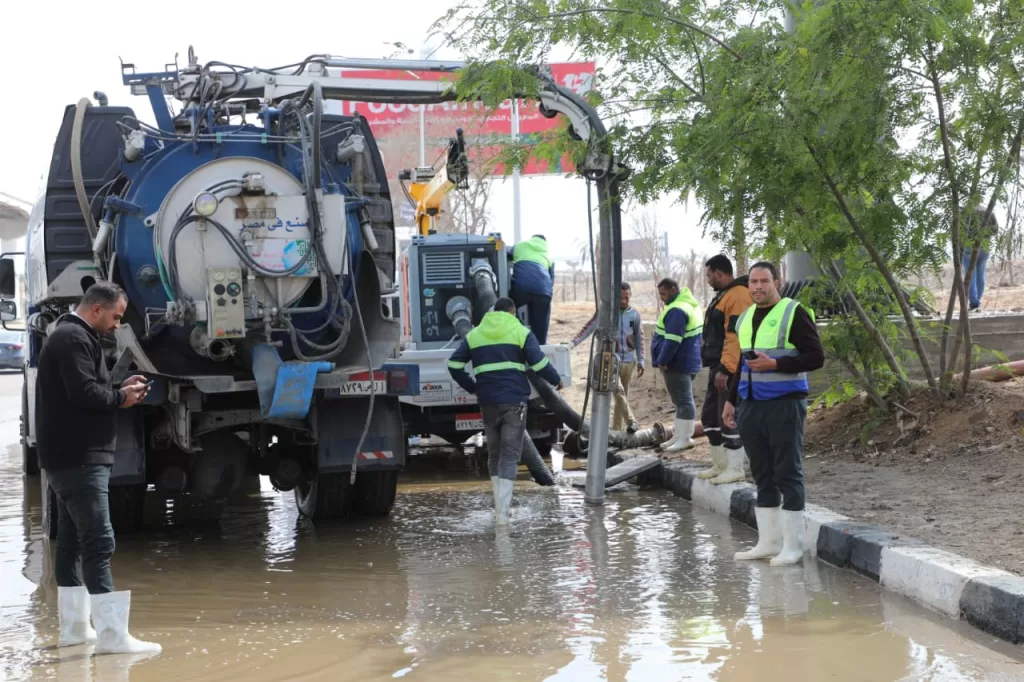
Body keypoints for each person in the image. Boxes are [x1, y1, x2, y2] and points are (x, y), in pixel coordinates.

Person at [36, 282, 161, 654]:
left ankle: (76, 631)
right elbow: (84, 394)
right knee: (99, 540)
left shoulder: (69, 336)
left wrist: (120, 386)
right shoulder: (74, 338)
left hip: (68, 457)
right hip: (80, 458)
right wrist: (121, 397)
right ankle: (113, 637)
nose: (116, 325)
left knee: (73, 542)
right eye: (116, 317)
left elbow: (85, 387)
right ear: (96, 309)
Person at [723, 262, 824, 567]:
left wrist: (776, 365)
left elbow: (816, 357)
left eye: (764, 281)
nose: (757, 287)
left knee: (787, 472)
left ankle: (792, 547)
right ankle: (768, 542)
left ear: (776, 283)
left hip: (784, 404)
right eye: (753, 282)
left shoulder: (793, 313)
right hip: (751, 405)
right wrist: (730, 401)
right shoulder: (745, 318)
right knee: (762, 473)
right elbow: (741, 365)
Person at [447, 297, 562, 525]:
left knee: (495, 454)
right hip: (514, 402)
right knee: (510, 455)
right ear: (512, 312)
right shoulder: (520, 331)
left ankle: (499, 509)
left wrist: (473, 387)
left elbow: (454, 365)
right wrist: (556, 380)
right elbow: (539, 364)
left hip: (487, 402)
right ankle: (502, 515)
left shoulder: (475, 334)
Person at [697, 255, 753, 484]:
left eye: (709, 274)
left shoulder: (738, 295)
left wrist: (727, 369)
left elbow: (735, 336)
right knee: (709, 417)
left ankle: (735, 467)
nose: (708, 279)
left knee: (727, 417)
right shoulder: (724, 295)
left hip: (729, 369)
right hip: (717, 366)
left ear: (719, 273)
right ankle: (720, 465)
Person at [651, 278, 703, 452]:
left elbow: (672, 340)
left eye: (663, 294)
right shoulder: (689, 305)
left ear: (673, 290)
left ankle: (685, 438)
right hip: (688, 360)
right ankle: (679, 435)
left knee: (684, 401)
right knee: (680, 401)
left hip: (676, 363)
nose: (662, 298)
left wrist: (663, 360)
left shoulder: (676, 310)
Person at [510, 234, 555, 344]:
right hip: (543, 292)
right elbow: (551, 279)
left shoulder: (519, 246)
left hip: (521, 289)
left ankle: (517, 342)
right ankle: (540, 345)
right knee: (540, 323)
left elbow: (503, 256)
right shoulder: (548, 256)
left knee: (516, 317)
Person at [613, 282, 645, 434]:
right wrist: (573, 343)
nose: (623, 301)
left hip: (629, 362)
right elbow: (590, 327)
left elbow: (639, 338)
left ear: (630, 296)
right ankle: (631, 421)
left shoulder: (635, 314)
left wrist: (641, 360)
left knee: (622, 397)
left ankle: (616, 431)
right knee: (618, 392)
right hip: (612, 361)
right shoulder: (608, 313)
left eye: (626, 298)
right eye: (620, 298)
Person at [961, 208, 999, 311]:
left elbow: (959, 230)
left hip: (969, 246)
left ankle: (974, 302)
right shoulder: (988, 211)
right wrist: (984, 233)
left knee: (970, 274)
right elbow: (995, 229)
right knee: (980, 275)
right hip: (984, 246)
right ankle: (976, 300)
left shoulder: (964, 211)